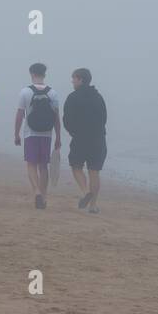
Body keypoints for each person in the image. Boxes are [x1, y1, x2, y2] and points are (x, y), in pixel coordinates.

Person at [13, 63, 61, 210]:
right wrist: (58, 137)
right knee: (43, 166)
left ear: (31, 73)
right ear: (44, 74)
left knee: (31, 164)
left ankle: (37, 192)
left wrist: (16, 133)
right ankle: (44, 197)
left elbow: (20, 115)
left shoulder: (25, 92)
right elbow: (56, 118)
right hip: (47, 134)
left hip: (30, 134)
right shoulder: (53, 93)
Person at [63, 68, 107, 214]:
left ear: (80, 80)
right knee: (94, 171)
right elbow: (104, 118)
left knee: (76, 166)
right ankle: (93, 205)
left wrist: (74, 132)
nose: (72, 81)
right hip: (98, 138)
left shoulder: (73, 97)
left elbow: (67, 120)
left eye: (74, 78)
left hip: (80, 138)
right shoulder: (98, 97)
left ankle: (85, 191)